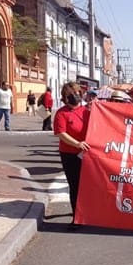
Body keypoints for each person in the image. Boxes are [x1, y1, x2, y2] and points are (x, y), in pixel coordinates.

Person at [54, 81, 91, 230]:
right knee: (75, 186)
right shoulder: (61, 113)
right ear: (65, 98)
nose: (74, 96)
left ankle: (88, 213)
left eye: (76, 93)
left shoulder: (88, 112)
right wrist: (77, 144)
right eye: (70, 95)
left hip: (88, 154)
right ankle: (77, 217)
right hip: (70, 155)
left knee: (88, 186)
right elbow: (61, 134)